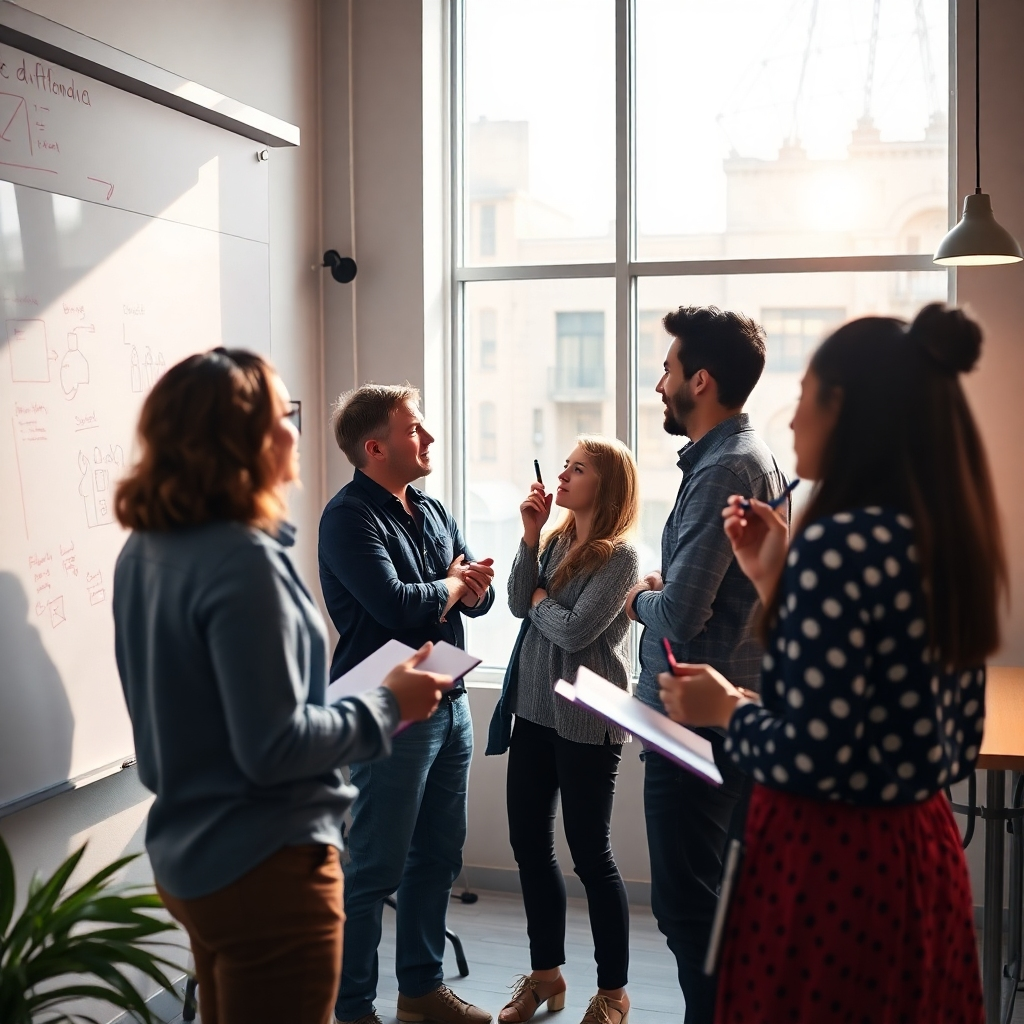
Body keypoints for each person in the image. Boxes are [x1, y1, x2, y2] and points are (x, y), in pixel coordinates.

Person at [659, 304, 1005, 1023]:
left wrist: (726, 708)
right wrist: (777, 581)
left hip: (836, 868)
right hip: (922, 850)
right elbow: (926, 718)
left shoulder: (839, 543)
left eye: (807, 396)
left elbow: (815, 753)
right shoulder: (941, 535)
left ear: (844, 410)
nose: (790, 420)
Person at [112, 349, 450, 1024]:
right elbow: (274, 746)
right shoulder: (241, 562)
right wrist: (389, 704)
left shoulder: (144, 549)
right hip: (266, 866)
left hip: (190, 855)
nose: (296, 430)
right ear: (243, 438)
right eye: (281, 414)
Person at [622, 306, 787, 1024]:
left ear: (701, 380)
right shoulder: (735, 458)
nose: (659, 386)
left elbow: (684, 613)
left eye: (667, 370)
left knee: (691, 911)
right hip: (715, 716)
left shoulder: (727, 464)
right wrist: (671, 588)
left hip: (699, 726)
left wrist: (637, 601)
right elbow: (705, 592)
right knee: (709, 909)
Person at [319, 384, 496, 1024]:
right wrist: (453, 583)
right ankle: (353, 1008)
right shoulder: (347, 518)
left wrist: (462, 588)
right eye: (414, 429)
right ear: (375, 447)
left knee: (439, 856)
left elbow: (476, 595)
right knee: (373, 866)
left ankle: (420, 992)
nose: (426, 439)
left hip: (449, 698)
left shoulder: (430, 506)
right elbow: (399, 608)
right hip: (386, 706)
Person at [486, 436, 642, 1024]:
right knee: (528, 845)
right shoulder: (553, 540)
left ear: (607, 485)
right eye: (566, 467)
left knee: (590, 855)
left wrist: (539, 600)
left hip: (587, 721)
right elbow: (514, 602)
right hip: (533, 714)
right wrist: (530, 537)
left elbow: (575, 633)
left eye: (578, 469)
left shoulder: (618, 556)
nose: (563, 475)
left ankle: (614, 992)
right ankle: (546, 975)